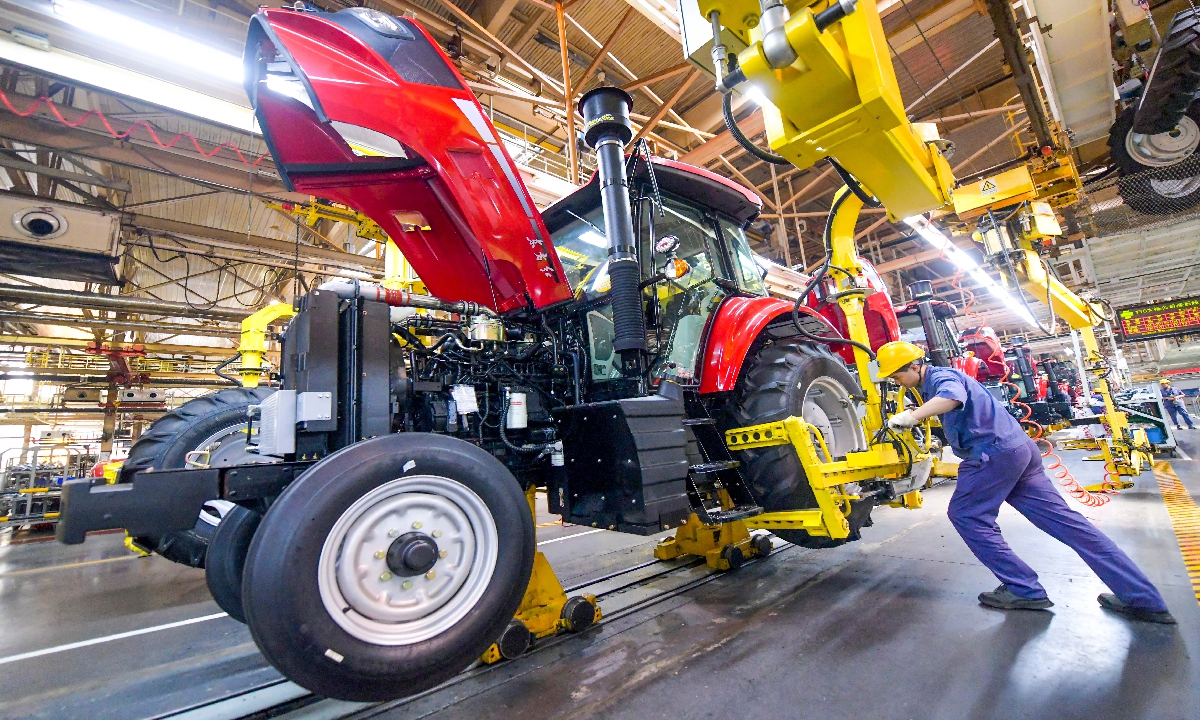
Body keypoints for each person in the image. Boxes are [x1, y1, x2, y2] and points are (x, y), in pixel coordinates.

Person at [877, 341, 1175, 624]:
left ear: (915, 366)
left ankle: (1023, 589)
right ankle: (1143, 599)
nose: (897, 380)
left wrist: (912, 417)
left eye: (898, 374)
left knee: (967, 515)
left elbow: (953, 397)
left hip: (992, 455)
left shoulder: (943, 378)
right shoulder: (934, 382)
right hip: (1019, 450)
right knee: (1070, 525)